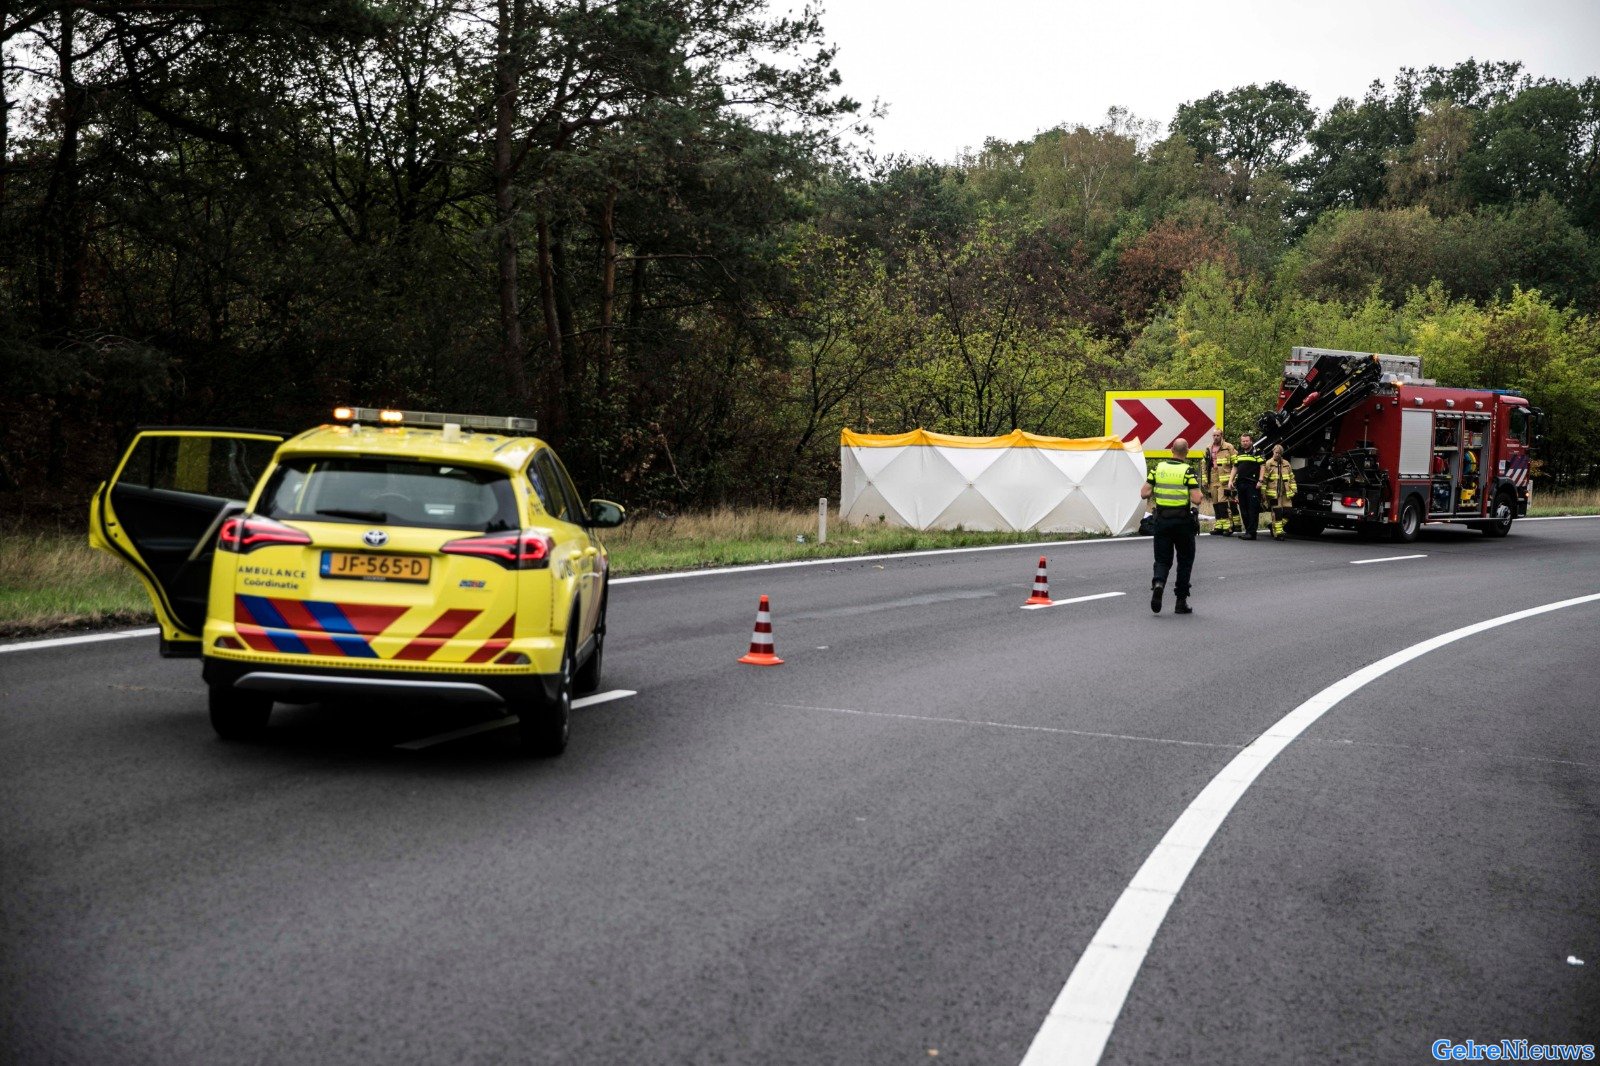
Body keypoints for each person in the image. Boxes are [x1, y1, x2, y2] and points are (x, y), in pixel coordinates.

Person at [1141, 437, 1203, 615]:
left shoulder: (1158, 469)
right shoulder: (1188, 471)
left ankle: (1159, 582)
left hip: (1162, 521)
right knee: (1184, 560)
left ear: (1171, 450)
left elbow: (1144, 493)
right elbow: (1197, 499)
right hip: (1182, 522)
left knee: (1162, 559)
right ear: (1187, 452)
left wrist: (1158, 491)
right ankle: (1180, 601)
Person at [1229, 433, 1264, 539]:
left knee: (1252, 508)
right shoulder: (1239, 453)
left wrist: (1260, 480)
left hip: (1252, 484)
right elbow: (1235, 467)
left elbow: (1262, 466)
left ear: (1251, 441)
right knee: (1243, 508)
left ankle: (1252, 533)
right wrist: (1230, 481)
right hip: (1241, 483)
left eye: (1246, 441)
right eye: (1243, 441)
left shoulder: (1257, 452)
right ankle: (1248, 531)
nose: (1244, 443)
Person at [1203, 429, 1238, 536]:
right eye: (1214, 435)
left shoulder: (1228, 447)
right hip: (1213, 477)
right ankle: (1219, 525)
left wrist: (1233, 479)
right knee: (1215, 502)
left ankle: (1228, 526)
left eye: (1218, 435)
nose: (1215, 437)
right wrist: (1205, 480)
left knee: (1222, 501)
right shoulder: (1209, 448)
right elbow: (1204, 465)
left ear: (1222, 436)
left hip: (1225, 478)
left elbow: (1236, 463)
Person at [1260, 443, 1297, 540]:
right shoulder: (1268, 463)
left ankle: (1273, 526)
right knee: (1277, 514)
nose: (1277, 455)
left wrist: (1294, 490)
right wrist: (1263, 493)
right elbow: (1264, 480)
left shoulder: (1286, 464)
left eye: (1279, 453)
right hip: (1273, 494)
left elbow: (1292, 478)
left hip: (1285, 494)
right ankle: (1278, 533)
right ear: (1273, 452)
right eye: (1276, 452)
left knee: (1288, 513)